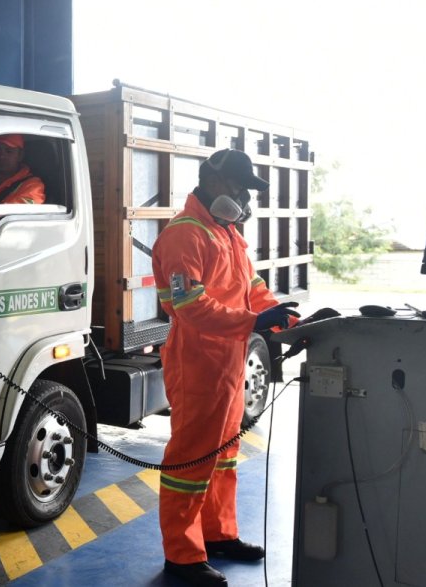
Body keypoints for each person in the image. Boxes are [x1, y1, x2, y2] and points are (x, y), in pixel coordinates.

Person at [150, 148, 300, 587]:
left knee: (223, 458)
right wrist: (253, 323)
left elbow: (253, 291)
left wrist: (293, 322)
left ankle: (217, 534)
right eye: (240, 187)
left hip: (228, 362)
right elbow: (190, 306)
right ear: (216, 184)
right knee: (190, 462)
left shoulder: (227, 233)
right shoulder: (186, 235)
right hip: (197, 363)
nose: (244, 198)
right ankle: (182, 554)